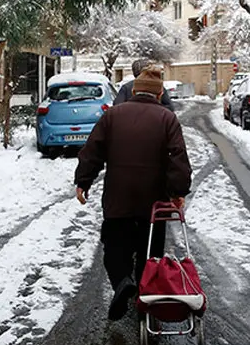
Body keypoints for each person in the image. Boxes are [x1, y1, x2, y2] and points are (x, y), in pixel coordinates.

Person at [75, 66, 192, 321]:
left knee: (115, 247)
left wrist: (83, 181)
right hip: (154, 201)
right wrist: (178, 192)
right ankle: (144, 294)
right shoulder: (167, 118)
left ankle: (122, 281)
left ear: (134, 91)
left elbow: (92, 150)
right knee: (150, 252)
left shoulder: (113, 116)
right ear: (159, 93)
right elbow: (177, 159)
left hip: (119, 198)